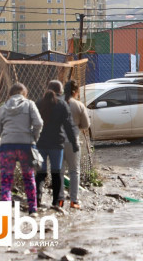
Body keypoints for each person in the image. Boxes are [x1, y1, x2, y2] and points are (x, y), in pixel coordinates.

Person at [0, 82, 43, 216]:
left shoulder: (3, 108)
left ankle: (6, 213)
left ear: (10, 94)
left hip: (7, 147)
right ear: (24, 93)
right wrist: (34, 138)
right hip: (26, 147)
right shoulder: (30, 104)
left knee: (6, 180)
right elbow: (39, 123)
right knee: (29, 178)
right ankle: (33, 210)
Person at [35, 80, 79, 208]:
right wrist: (74, 142)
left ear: (47, 89)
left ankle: (37, 198)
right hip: (56, 144)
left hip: (41, 143)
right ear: (60, 92)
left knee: (41, 173)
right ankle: (57, 201)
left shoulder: (38, 103)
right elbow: (68, 126)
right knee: (56, 172)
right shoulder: (62, 105)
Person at [58, 80, 90, 209]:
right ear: (76, 92)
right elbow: (86, 125)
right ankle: (74, 201)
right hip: (73, 142)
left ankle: (59, 200)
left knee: (58, 172)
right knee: (74, 171)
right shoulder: (78, 105)